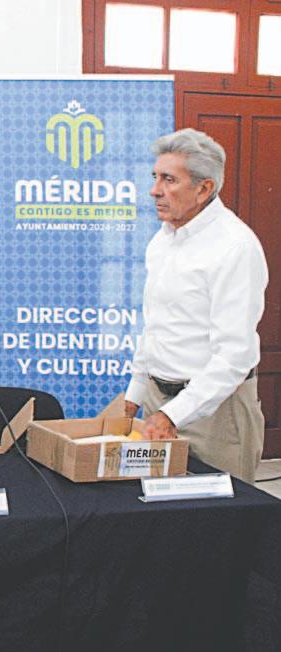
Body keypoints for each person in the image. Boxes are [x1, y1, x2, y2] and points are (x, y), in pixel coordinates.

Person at [124, 128, 268, 483]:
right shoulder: (162, 240)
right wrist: (135, 394)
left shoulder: (235, 247)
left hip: (216, 415)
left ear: (204, 189)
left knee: (217, 516)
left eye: (169, 179)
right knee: (156, 511)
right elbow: (156, 327)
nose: (155, 190)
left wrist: (173, 415)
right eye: (155, 177)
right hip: (159, 404)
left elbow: (234, 356)